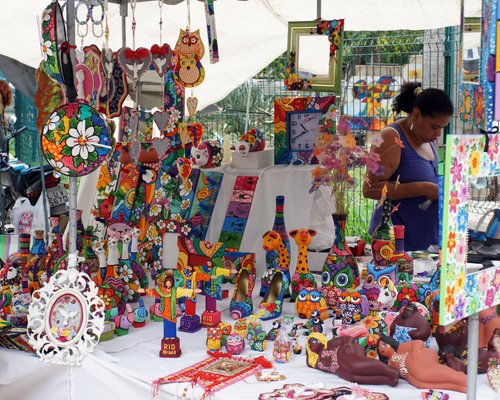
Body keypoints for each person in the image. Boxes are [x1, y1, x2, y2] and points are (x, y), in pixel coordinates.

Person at [363, 82, 453, 251]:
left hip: (424, 243)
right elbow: (370, 188)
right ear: (417, 115)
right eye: (434, 127)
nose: (438, 134)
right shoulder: (390, 138)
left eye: (442, 128)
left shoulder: (426, 139)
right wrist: (424, 188)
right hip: (396, 246)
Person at [377, 335, 467, 393]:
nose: (381, 348)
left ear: (391, 343)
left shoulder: (401, 348)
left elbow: (418, 342)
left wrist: (415, 353)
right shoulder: (389, 364)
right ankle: (457, 386)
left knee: (423, 373)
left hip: (420, 358)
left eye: (384, 344)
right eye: (379, 348)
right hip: (413, 374)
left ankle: (459, 378)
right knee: (422, 384)